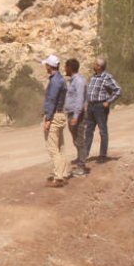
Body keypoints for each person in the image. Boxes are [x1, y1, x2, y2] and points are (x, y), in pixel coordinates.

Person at [84, 58, 122, 164]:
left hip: (100, 107)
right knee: (88, 131)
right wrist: (87, 103)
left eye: (95, 64)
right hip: (91, 107)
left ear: (99, 66)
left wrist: (108, 101)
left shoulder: (106, 77)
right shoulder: (93, 77)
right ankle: (85, 154)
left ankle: (102, 155)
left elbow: (118, 90)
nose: (93, 64)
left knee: (102, 131)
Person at [41, 54, 70, 187]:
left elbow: (51, 100)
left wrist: (48, 119)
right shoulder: (61, 79)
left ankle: (58, 177)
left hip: (54, 116)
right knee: (60, 147)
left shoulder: (54, 82)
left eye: (46, 65)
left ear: (49, 66)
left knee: (53, 148)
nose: (45, 67)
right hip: (61, 115)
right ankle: (63, 173)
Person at [63, 58, 87, 176]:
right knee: (76, 140)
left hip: (76, 115)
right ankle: (80, 160)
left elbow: (79, 99)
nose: (64, 69)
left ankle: (82, 168)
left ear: (70, 68)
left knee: (79, 140)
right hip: (71, 113)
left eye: (65, 67)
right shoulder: (72, 81)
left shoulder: (78, 81)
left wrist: (76, 116)